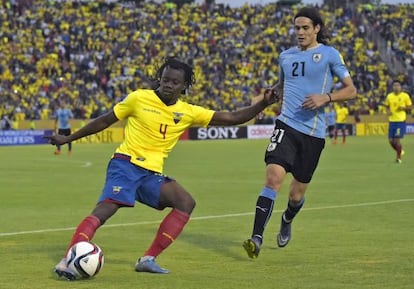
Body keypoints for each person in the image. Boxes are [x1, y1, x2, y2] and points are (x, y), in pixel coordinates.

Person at [45, 57, 277, 279]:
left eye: (175, 82)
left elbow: (232, 118)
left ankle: (147, 259)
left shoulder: (188, 112)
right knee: (104, 212)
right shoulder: (139, 98)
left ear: (184, 86)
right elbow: (105, 120)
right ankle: (68, 260)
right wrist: (69, 138)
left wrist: (263, 104)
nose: (168, 85)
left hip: (150, 175)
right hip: (125, 165)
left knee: (185, 202)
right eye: (165, 79)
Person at [242, 7, 357, 259]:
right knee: (273, 178)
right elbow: (281, 87)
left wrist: (326, 97)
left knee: (296, 195)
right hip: (286, 125)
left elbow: (351, 90)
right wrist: (263, 102)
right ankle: (256, 237)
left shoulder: (329, 54)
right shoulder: (286, 56)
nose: (300, 32)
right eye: (297, 28)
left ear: (317, 29)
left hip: (313, 134)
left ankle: (287, 218)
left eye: (305, 28)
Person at [384, 79, 413, 163]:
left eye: (398, 86)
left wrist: (403, 108)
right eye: (394, 86)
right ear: (392, 87)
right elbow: (386, 106)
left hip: (400, 120)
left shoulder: (405, 96)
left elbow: (410, 106)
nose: (396, 87)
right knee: (390, 141)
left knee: (397, 140)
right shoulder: (389, 96)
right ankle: (400, 151)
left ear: (401, 87)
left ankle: (398, 158)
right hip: (392, 120)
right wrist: (388, 111)